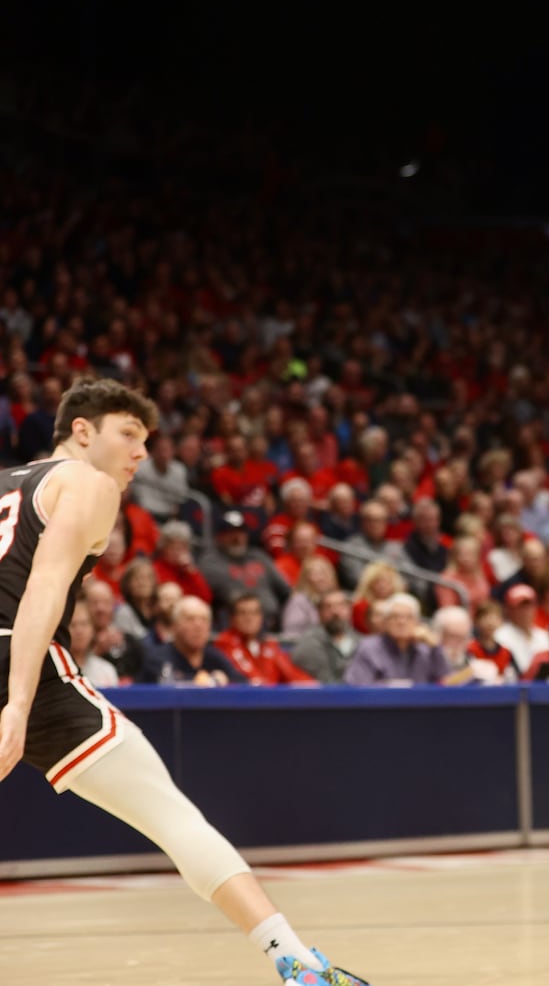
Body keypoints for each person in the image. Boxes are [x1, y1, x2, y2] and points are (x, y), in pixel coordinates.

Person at [0, 379, 368, 985]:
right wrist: (16, 700)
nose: (140, 454)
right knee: (175, 819)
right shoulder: (86, 482)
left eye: (146, 443)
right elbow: (41, 586)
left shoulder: (9, 483)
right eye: (129, 435)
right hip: (28, 669)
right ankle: (298, 963)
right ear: (82, 432)